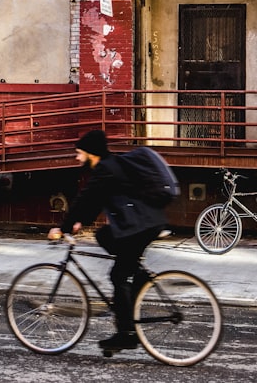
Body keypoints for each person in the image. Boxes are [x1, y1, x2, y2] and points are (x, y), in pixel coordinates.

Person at [48, 130, 168, 353]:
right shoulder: (110, 166)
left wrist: (63, 227)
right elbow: (96, 200)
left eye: (79, 153)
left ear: (91, 153)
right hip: (145, 222)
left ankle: (126, 335)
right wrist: (80, 222)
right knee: (103, 235)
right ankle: (139, 274)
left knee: (118, 275)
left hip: (141, 226)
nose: (77, 158)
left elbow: (85, 197)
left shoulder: (105, 169)